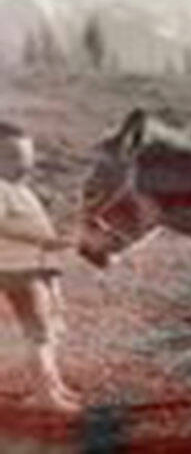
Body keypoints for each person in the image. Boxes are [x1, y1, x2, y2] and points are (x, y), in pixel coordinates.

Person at [0, 122, 80, 412]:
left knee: (48, 329)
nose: (24, 164)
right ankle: (45, 394)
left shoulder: (20, 189)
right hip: (16, 269)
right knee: (39, 332)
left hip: (35, 267)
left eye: (27, 157)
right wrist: (46, 240)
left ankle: (52, 386)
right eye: (11, 157)